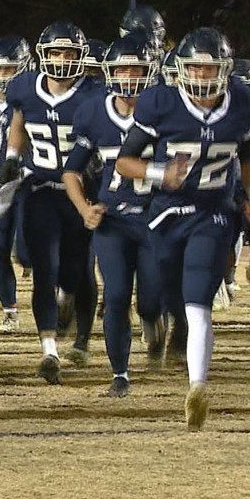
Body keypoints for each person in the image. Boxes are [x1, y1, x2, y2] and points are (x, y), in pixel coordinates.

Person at [116, 27, 250, 430]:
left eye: (210, 68)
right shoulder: (160, 102)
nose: (202, 76)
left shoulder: (244, 104)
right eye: (195, 68)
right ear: (182, 70)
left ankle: (197, 386)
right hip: (166, 214)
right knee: (163, 294)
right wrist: (162, 172)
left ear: (225, 69)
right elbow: (124, 162)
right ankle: (170, 334)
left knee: (198, 299)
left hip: (213, 213)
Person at [0, 21, 101, 384]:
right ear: (42, 55)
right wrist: (12, 155)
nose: (60, 60)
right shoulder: (25, 87)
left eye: (69, 53)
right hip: (40, 187)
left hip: (82, 191)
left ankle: (80, 329)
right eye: (55, 52)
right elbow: (19, 119)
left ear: (81, 57)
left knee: (77, 270)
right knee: (44, 269)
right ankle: (49, 350)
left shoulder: (93, 93)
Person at [63, 35, 164, 397]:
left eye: (136, 68)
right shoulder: (93, 111)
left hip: (156, 218)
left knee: (151, 299)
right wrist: (84, 208)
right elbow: (71, 171)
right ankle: (120, 372)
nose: (129, 76)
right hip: (113, 220)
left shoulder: (165, 110)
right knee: (117, 295)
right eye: (122, 68)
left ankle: (154, 321)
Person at [0, 36, 32, 331]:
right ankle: (10, 312)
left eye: (9, 70)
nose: (2, 77)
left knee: (31, 250)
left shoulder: (33, 99)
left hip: (29, 183)